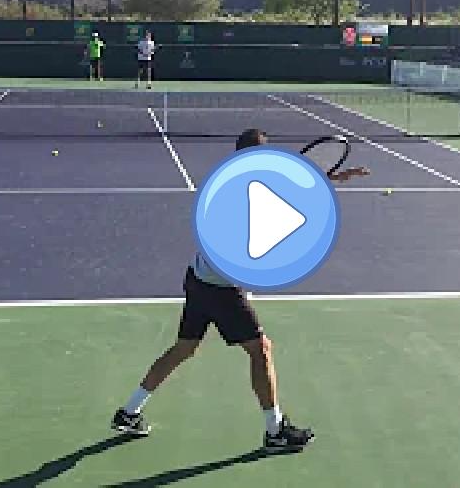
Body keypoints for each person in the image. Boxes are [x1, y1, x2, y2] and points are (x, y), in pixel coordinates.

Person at [113, 129, 370, 453]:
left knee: (184, 348)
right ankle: (275, 432)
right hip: (219, 287)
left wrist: (332, 178)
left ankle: (129, 411)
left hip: (198, 278)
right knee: (261, 349)